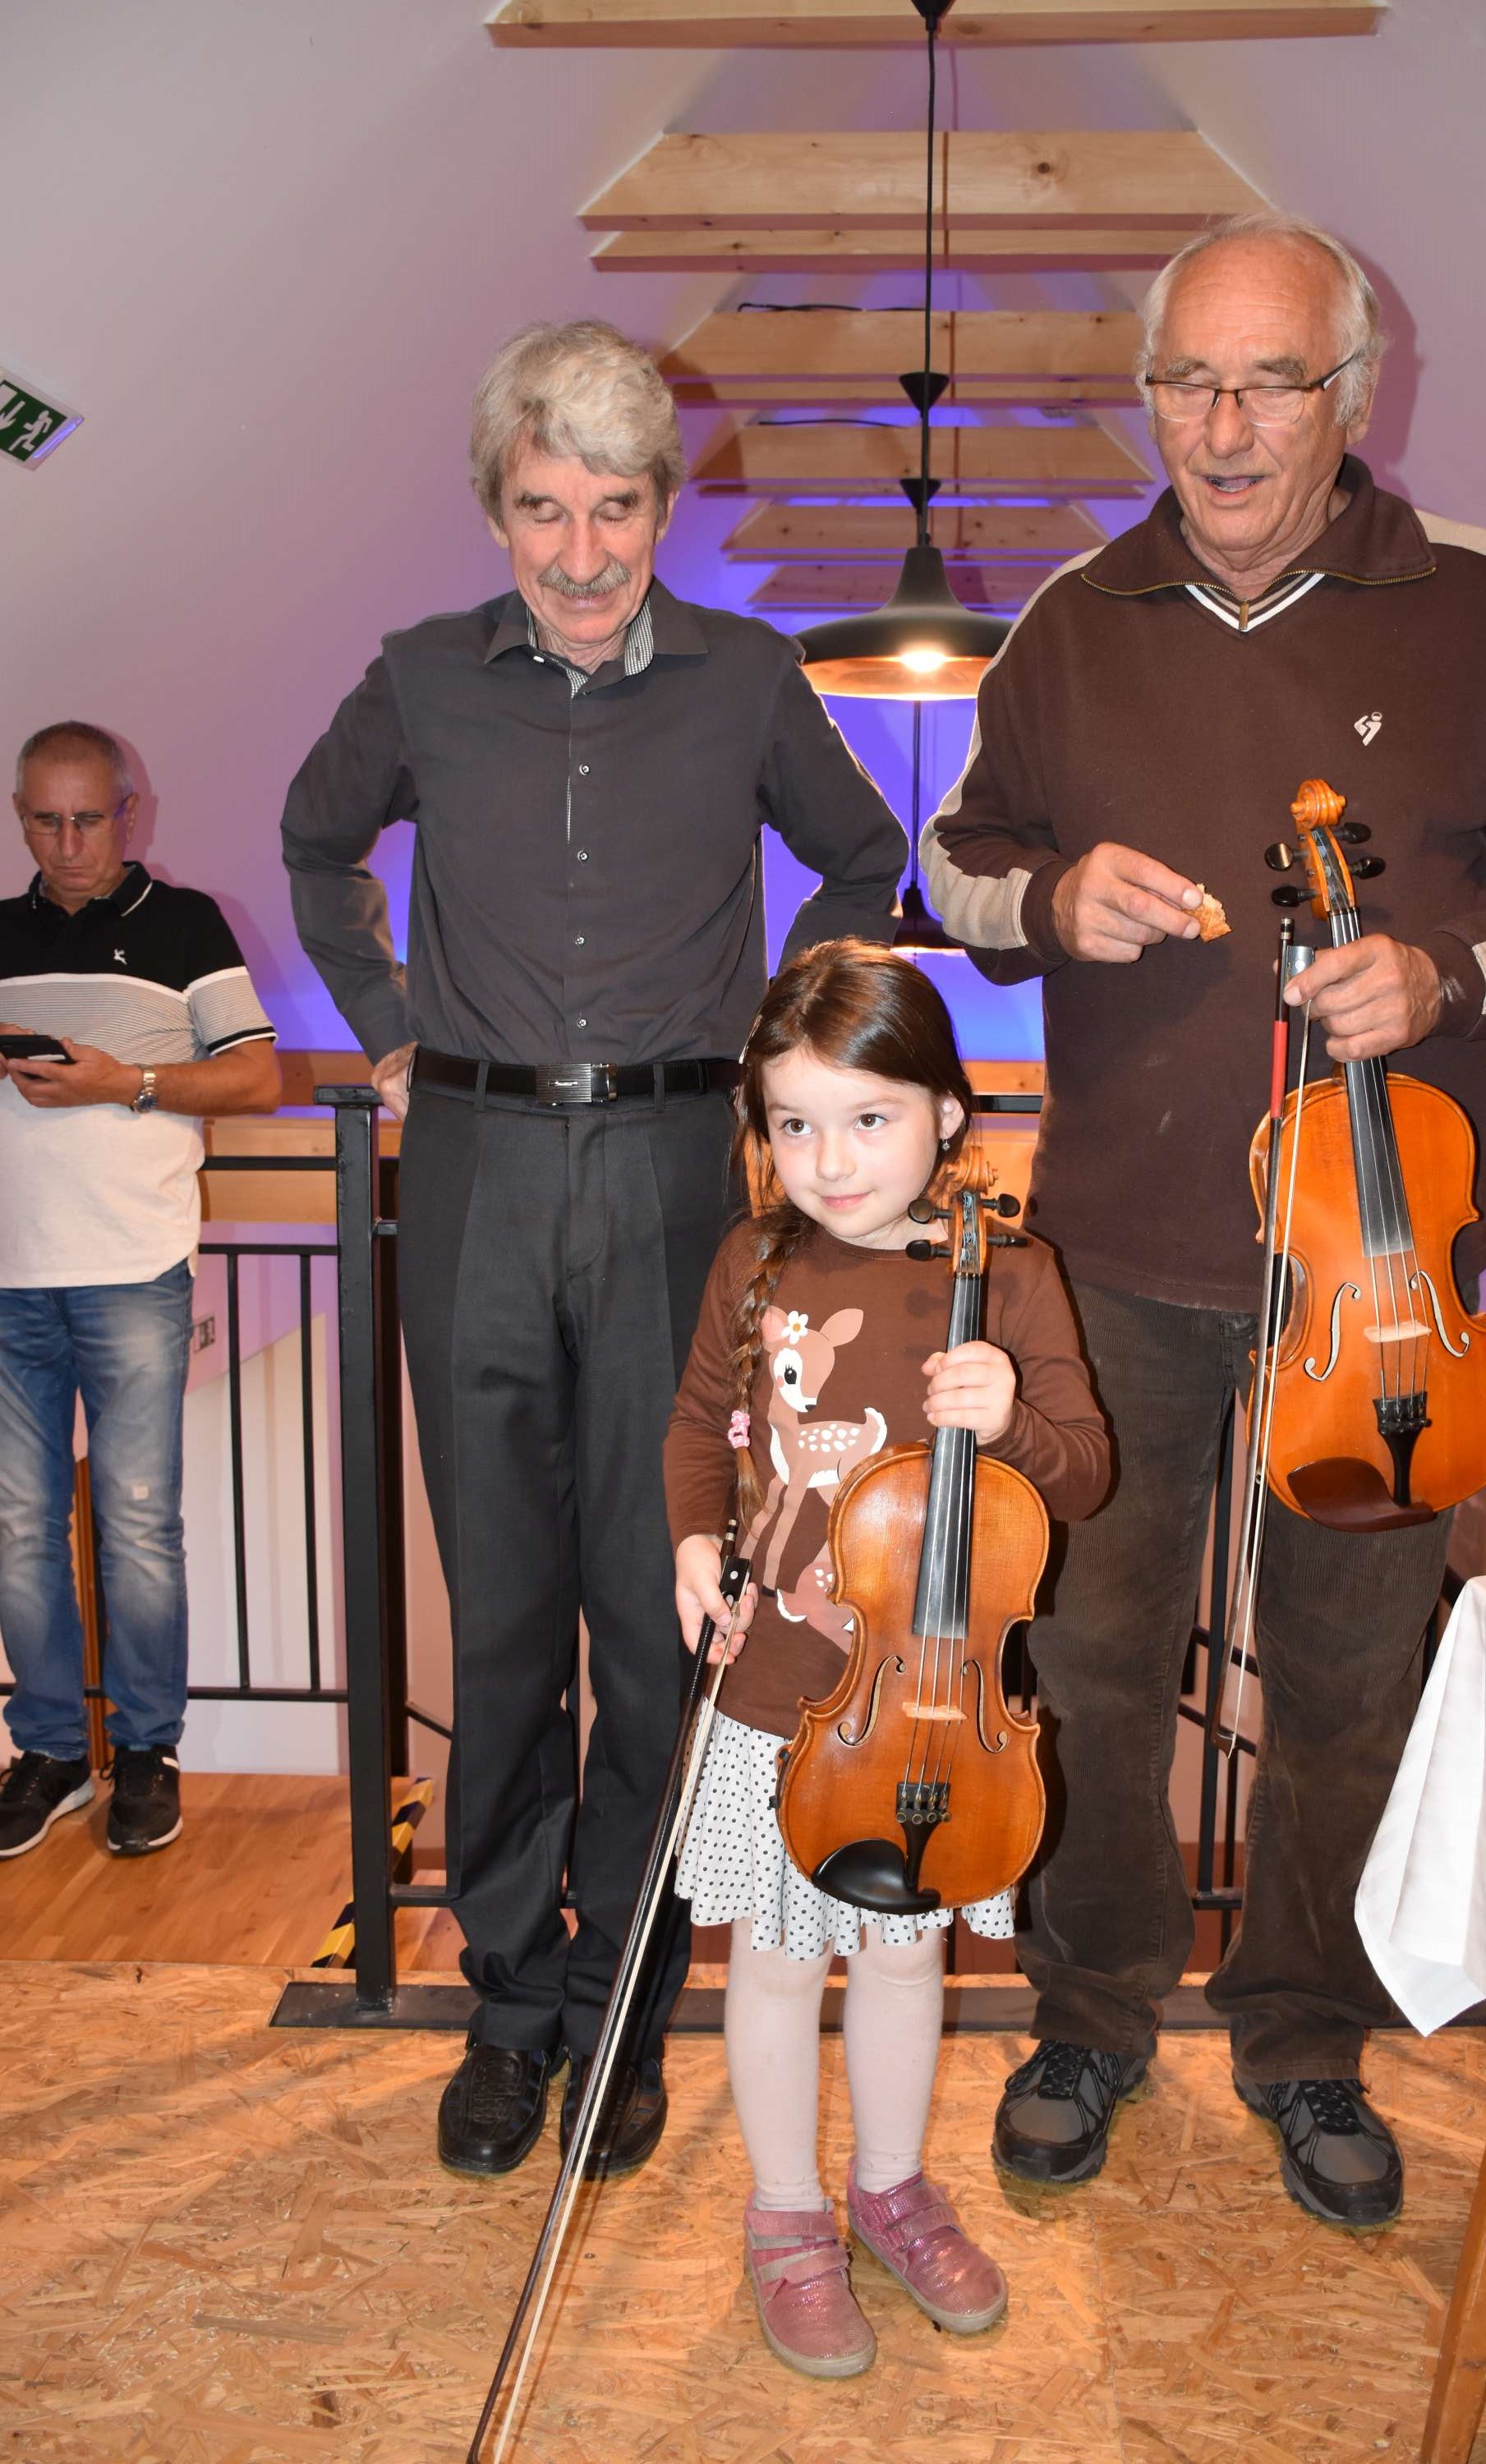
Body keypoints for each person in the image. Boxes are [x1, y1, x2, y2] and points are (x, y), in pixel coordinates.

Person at [922, 211, 1486, 2226]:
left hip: (1386, 1286)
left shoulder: (1482, 603)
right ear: (1146, 394)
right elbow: (955, 862)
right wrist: (1046, 901)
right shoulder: (1071, 616)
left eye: (1268, 382)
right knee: (1089, 1653)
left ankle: (1307, 2031)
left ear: (1351, 393)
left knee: (1346, 1678)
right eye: (1187, 381)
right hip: (1118, 1261)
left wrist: (1446, 971)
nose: (1224, 427)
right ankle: (1089, 2011)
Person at [283, 320, 906, 2180]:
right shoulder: (418, 677)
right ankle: (508, 2003)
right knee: (500, 1620)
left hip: (670, 1179)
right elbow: (317, 845)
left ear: (661, 508)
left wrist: (784, 1050)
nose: (579, 552)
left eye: (615, 508)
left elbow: (862, 855)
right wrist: (387, 1022)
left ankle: (623, 2001)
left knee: (656, 1616)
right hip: (474, 1164)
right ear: (498, 507)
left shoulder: (748, 677)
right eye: (545, 508)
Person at [665, 942, 1109, 2374]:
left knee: (907, 1959)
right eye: (794, 1124)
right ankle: (788, 2215)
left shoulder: (1012, 1274)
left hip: (931, 1710)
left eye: (869, 1118)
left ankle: (892, 2188)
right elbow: (700, 1430)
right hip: (776, 1695)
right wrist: (693, 1546)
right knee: (777, 1964)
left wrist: (1012, 1419)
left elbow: (1084, 1471)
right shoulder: (755, 1261)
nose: (831, 1160)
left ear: (948, 1116)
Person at [0, 722, 280, 1859]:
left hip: (132, 1268)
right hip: (9, 1274)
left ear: (129, 813)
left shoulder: (187, 923)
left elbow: (255, 1077)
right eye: (44, 821)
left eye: (88, 819)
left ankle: (148, 1751)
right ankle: (51, 1753)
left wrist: (127, 1083)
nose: (68, 843)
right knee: (18, 1529)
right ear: (20, 815)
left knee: (136, 1524)